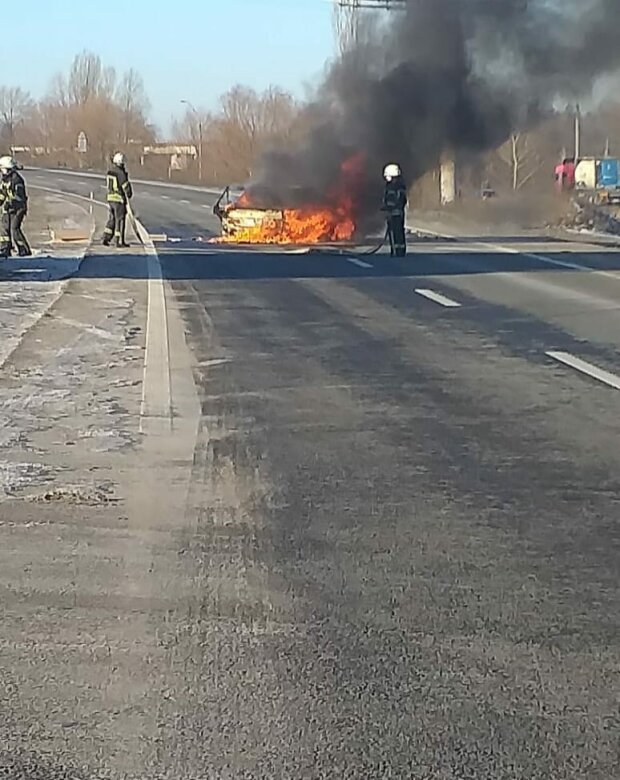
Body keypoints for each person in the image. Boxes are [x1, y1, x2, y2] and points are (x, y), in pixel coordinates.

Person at [0, 155, 32, 258]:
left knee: (14, 229)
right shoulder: (5, 180)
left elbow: (19, 197)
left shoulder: (17, 180)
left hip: (18, 209)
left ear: (8, 169)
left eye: (3, 169)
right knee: (4, 228)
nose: (2, 171)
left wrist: (10, 203)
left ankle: (24, 249)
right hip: (9, 208)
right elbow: (2, 193)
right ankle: (5, 248)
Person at [103, 152, 133, 248]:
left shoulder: (110, 171)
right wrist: (129, 194)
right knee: (120, 220)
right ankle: (119, 241)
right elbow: (126, 187)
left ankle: (106, 238)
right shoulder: (121, 173)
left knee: (112, 219)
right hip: (118, 199)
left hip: (110, 198)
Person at [382, 163, 408, 257]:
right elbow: (387, 199)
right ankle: (395, 250)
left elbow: (401, 200)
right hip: (391, 212)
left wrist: (392, 208)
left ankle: (399, 250)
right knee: (393, 232)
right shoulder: (390, 186)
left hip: (396, 213)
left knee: (397, 231)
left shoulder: (398, 187)